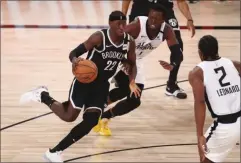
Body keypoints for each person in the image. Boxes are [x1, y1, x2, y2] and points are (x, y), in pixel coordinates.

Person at [19, 11, 141, 162]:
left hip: (102, 86)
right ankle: (42, 95)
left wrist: (131, 80)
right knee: (69, 116)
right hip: (84, 82)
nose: (122, 27)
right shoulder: (99, 37)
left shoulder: (129, 42)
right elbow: (74, 52)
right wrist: (75, 60)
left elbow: (133, 63)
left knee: (91, 121)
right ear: (110, 23)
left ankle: (54, 152)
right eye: (118, 24)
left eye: (124, 23)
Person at [93, 4, 183, 136]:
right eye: (151, 17)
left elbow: (177, 52)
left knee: (134, 100)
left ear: (163, 21)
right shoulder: (137, 26)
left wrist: (173, 64)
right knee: (124, 89)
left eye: (156, 19)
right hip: (120, 57)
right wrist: (122, 60)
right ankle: (96, 109)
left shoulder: (167, 31)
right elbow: (114, 38)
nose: (152, 21)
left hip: (137, 61)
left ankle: (104, 115)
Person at [122, 0, 195, 98]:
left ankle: (171, 85)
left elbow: (181, 1)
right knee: (129, 45)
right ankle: (122, 75)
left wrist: (189, 19)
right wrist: (122, 18)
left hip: (165, 9)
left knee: (178, 47)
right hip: (141, 7)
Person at [188, 35, 240, 163]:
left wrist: (199, 134)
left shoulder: (197, 73)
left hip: (226, 125)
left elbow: (200, 102)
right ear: (217, 50)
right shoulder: (234, 64)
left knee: (205, 158)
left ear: (200, 53)